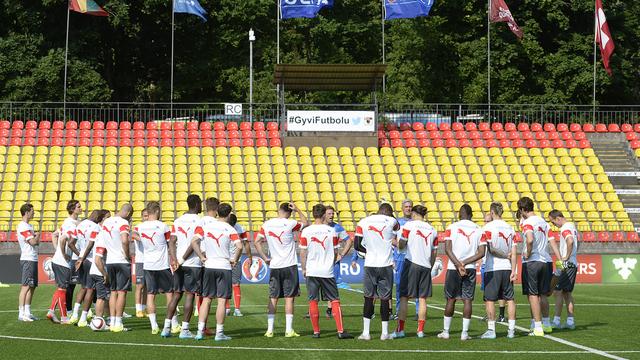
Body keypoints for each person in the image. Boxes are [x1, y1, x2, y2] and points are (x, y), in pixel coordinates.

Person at [254, 202, 309, 338]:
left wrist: (265, 257)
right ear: (290, 212)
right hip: (289, 265)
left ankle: (270, 330)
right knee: (289, 298)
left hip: (274, 265)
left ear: (278, 210)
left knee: (273, 298)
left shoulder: (267, 224)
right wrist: (298, 209)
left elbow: (256, 241)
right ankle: (288, 330)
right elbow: (306, 223)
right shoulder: (290, 223)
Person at [300, 204, 353, 339]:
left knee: (313, 301)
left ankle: (316, 332)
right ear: (324, 214)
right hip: (327, 271)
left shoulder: (306, 231)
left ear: (313, 214)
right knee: (334, 300)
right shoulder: (331, 231)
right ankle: (340, 331)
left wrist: (304, 268)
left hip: (312, 271)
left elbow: (302, 252)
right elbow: (336, 251)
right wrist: (333, 259)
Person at [191, 203, 242, 341]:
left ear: (217, 212)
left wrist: (201, 257)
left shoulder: (206, 227)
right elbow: (240, 245)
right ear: (229, 214)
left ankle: (200, 331)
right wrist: (235, 260)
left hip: (209, 265)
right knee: (221, 301)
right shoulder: (230, 229)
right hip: (224, 266)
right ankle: (219, 333)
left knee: (206, 299)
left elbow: (194, 241)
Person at [438, 204, 485, 341]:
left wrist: (458, 264)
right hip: (469, 267)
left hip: (454, 267)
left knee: (451, 299)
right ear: (471, 215)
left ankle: (446, 332)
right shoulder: (478, 229)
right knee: (467, 300)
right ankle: (464, 334)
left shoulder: (451, 227)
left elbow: (447, 249)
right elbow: (482, 252)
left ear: (459, 215)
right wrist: (464, 263)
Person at [353, 203, 399, 341]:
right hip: (386, 265)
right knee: (385, 298)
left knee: (368, 297)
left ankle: (366, 333)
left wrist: (369, 252)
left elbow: (357, 245)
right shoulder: (392, 221)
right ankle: (384, 333)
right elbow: (397, 230)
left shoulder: (363, 222)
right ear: (389, 213)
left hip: (370, 264)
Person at [392, 204, 437, 339]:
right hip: (425, 265)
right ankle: (420, 330)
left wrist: (399, 246)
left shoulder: (409, 226)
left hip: (411, 264)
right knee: (422, 299)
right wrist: (430, 266)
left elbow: (402, 244)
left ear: (413, 214)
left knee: (404, 297)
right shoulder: (433, 229)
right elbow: (434, 252)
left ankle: (400, 330)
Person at [518, 197, 560, 337]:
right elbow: (552, 241)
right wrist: (559, 259)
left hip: (533, 262)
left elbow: (529, 239)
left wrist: (527, 253)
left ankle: (537, 327)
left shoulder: (528, 223)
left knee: (533, 295)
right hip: (546, 261)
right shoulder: (543, 222)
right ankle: (546, 324)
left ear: (523, 209)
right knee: (543, 294)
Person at [134, 201, 178, 337]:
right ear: (157, 211)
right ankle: (174, 324)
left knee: (150, 295)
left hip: (148, 265)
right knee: (170, 294)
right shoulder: (163, 226)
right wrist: (174, 258)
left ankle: (154, 326)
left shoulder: (139, 227)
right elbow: (170, 242)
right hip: (162, 265)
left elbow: (134, 236)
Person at [479, 203, 517, 339]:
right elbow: (513, 251)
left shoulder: (488, 227)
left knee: (490, 299)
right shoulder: (510, 228)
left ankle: (491, 330)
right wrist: (514, 270)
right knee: (510, 299)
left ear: (492, 212)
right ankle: (511, 331)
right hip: (507, 268)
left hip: (493, 267)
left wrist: (503, 255)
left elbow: (490, 249)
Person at [169, 195, 203, 339]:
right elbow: (193, 243)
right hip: (192, 262)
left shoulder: (178, 221)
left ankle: (166, 327)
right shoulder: (200, 221)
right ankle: (185, 330)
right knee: (189, 295)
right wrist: (182, 259)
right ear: (196, 204)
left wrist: (173, 259)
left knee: (177, 294)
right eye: (200, 203)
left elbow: (171, 241)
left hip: (178, 263)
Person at [47, 200, 82, 324]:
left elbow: (55, 234)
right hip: (62, 262)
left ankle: (51, 311)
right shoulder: (70, 224)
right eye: (78, 206)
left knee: (61, 288)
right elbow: (62, 239)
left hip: (59, 261)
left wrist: (58, 251)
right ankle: (64, 317)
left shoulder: (69, 222)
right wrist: (63, 254)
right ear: (73, 209)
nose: (81, 208)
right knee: (63, 289)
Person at [74, 209, 109, 327]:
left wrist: (79, 256)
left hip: (81, 257)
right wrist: (83, 258)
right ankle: (83, 318)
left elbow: (71, 242)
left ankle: (75, 315)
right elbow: (91, 244)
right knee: (90, 289)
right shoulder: (96, 227)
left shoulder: (80, 225)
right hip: (90, 259)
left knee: (83, 287)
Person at [102, 203, 134, 332]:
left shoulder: (106, 222)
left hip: (110, 260)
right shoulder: (123, 223)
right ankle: (119, 322)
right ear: (127, 213)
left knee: (113, 291)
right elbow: (125, 240)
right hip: (121, 260)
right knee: (122, 292)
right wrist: (127, 255)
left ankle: (113, 320)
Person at [548, 210, 578, 330]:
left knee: (558, 291)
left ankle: (556, 320)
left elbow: (570, 241)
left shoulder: (565, 228)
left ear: (558, 218)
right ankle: (570, 321)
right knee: (567, 293)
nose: (554, 225)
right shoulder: (572, 227)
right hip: (572, 263)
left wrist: (566, 257)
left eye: (553, 222)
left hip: (567, 264)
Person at [88, 211, 112, 330]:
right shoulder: (102, 234)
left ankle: (107, 318)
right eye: (108, 217)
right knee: (101, 297)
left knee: (105, 296)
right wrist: (104, 274)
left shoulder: (103, 233)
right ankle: (98, 321)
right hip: (98, 271)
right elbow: (98, 259)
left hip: (97, 270)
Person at [17, 203, 40, 322]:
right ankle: (21, 314)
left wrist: (36, 237)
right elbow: (33, 242)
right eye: (32, 211)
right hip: (27, 258)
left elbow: (36, 241)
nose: (34, 213)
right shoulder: (23, 226)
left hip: (33, 258)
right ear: (26, 212)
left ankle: (28, 312)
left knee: (32, 287)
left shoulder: (29, 226)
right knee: (25, 286)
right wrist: (36, 237)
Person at [226, 213, 252, 317]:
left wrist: (250, 257)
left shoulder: (240, 228)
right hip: (224, 260)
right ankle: (227, 308)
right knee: (225, 285)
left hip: (236, 260)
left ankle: (237, 309)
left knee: (236, 284)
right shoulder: (223, 227)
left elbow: (246, 243)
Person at [392, 199, 413, 320]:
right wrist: (400, 245)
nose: (408, 208)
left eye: (410, 206)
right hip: (400, 257)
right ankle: (398, 311)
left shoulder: (416, 222)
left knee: (416, 285)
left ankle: (417, 312)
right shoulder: (397, 222)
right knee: (399, 285)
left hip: (413, 257)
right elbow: (392, 238)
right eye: (406, 207)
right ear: (402, 208)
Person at [133, 209, 149, 318]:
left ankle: (144, 308)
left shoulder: (152, 228)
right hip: (140, 260)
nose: (146, 218)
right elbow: (133, 235)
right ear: (141, 217)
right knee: (140, 286)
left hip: (150, 260)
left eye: (148, 215)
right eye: (144, 216)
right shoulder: (138, 227)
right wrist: (146, 240)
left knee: (147, 286)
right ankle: (138, 309)